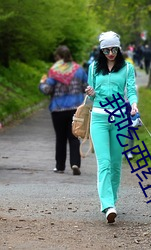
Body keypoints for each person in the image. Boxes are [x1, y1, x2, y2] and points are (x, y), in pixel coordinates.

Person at [85, 31, 138, 223]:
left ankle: (112, 201)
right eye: (106, 50)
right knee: (104, 162)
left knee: (116, 163)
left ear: (119, 48)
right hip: (98, 118)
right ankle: (107, 205)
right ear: (101, 50)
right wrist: (90, 92)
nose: (110, 53)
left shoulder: (127, 68)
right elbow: (91, 97)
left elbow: (131, 90)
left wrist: (133, 104)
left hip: (120, 119)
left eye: (114, 49)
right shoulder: (93, 68)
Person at [39, 45, 88, 175]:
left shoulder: (54, 71)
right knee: (74, 137)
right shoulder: (79, 70)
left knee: (60, 138)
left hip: (58, 109)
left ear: (58, 57)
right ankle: (75, 163)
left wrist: (42, 83)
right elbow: (86, 87)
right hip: (75, 109)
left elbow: (47, 90)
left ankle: (60, 166)